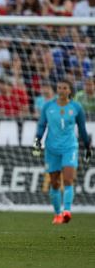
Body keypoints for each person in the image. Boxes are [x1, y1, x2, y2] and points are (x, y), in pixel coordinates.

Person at [33, 79, 92, 225]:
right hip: (52, 148)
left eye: (64, 88)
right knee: (54, 183)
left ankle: (67, 211)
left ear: (70, 90)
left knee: (68, 179)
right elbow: (41, 125)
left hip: (69, 147)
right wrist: (37, 140)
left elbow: (82, 129)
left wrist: (87, 146)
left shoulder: (76, 107)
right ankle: (58, 214)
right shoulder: (48, 106)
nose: (61, 90)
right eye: (59, 88)